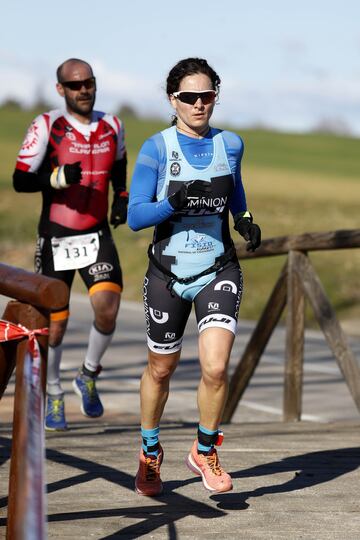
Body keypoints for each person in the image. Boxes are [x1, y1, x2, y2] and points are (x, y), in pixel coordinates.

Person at [128, 57, 261, 496]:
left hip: (217, 268)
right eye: (189, 97)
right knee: (161, 369)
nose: (199, 104)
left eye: (207, 96)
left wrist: (243, 218)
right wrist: (176, 199)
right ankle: (150, 451)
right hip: (167, 273)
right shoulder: (157, 148)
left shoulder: (231, 143)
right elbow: (134, 217)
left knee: (216, 367)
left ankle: (204, 450)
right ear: (174, 100)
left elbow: (235, 188)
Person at [13, 58, 128, 431]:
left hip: (96, 233)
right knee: (56, 327)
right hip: (57, 235)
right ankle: (56, 391)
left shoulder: (112, 125)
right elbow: (19, 180)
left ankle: (88, 374)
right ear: (60, 89)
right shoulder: (47, 126)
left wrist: (121, 197)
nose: (84, 91)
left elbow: (120, 163)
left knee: (108, 308)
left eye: (89, 83)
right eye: (75, 85)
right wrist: (58, 177)